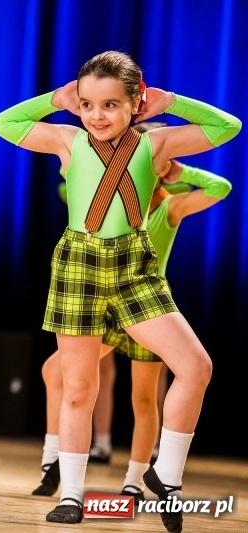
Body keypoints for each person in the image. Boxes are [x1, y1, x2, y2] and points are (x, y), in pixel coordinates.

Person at [0, 50, 241, 530]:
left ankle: (165, 475)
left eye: (110, 105)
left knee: (195, 366)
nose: (97, 115)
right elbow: (4, 122)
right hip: (79, 265)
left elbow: (227, 126)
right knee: (79, 386)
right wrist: (56, 99)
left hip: (134, 267)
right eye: (88, 104)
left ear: (135, 104)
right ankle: (73, 495)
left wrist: (171, 101)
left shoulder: (157, 144)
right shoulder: (68, 140)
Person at [32, 144, 232, 502]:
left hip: (146, 305)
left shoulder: (168, 206)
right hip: (105, 305)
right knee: (56, 372)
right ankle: (53, 463)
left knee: (143, 398)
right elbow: (66, 183)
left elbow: (221, 188)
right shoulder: (113, 201)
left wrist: (179, 171)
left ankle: (135, 480)